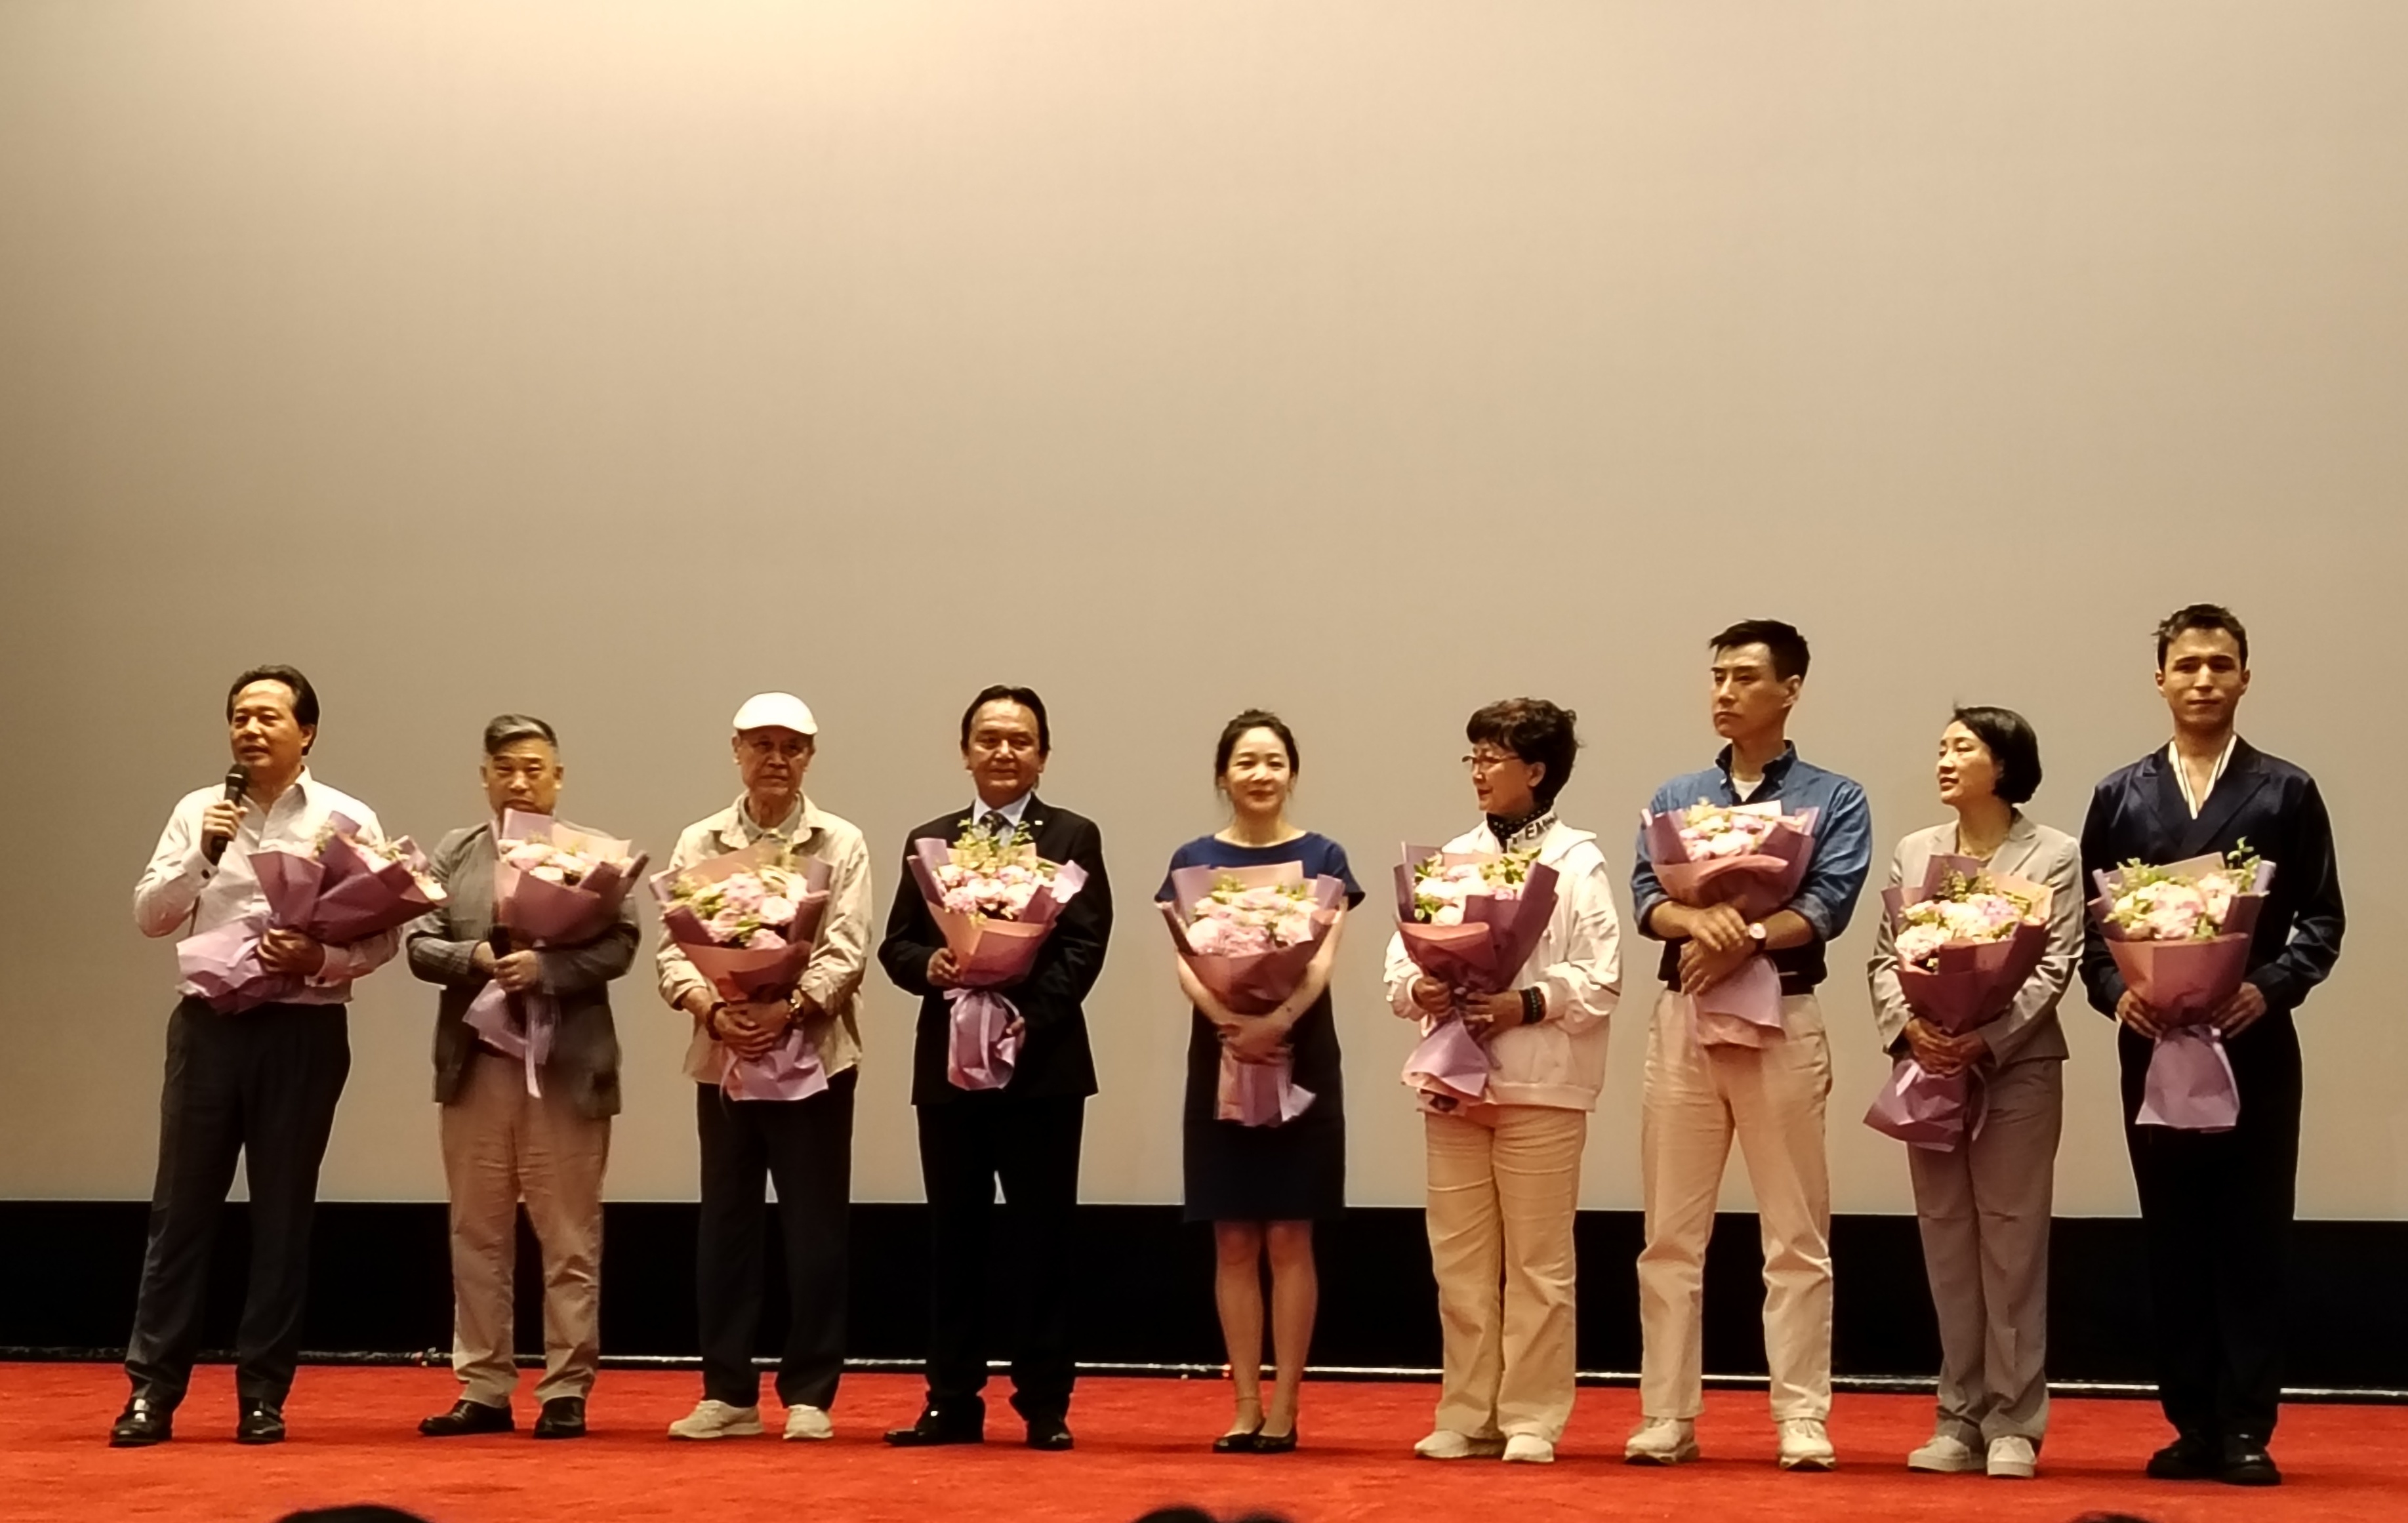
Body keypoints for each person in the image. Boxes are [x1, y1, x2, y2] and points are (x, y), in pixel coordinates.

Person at [2079, 605, 2344, 1487]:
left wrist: (2265, 986)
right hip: (2154, 1044)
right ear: (2158, 678)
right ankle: (2189, 1421)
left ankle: (2244, 1427)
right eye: (2186, 665)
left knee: (2251, 1235)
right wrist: (2118, 994)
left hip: (2250, 1040)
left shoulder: (2284, 790)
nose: (2201, 679)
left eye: (2218, 664)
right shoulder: (2119, 794)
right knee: (2171, 1235)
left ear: (2243, 677)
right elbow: (2090, 931)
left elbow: (2320, 919)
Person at [113, 666, 399, 1447]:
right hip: (208, 1027)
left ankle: (263, 1396)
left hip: (302, 1029)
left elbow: (383, 935)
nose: (250, 728)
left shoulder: (347, 818)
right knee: (180, 1214)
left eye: (269, 716)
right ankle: (151, 1393)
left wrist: (319, 960)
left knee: (282, 1218)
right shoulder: (197, 811)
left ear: (307, 732)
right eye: (240, 716)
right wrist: (203, 856)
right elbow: (150, 916)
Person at [1625, 620, 1871, 1471]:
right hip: (1684, 1014)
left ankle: (1800, 1416)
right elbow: (1645, 895)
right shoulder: (1677, 794)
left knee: (1795, 1232)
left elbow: (1830, 899)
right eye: (1717, 677)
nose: (1723, 692)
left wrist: (1749, 936)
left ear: (1789, 689)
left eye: (1742, 677)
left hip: (1782, 1017)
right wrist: (1696, 921)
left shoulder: (1832, 797)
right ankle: (1666, 1414)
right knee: (1668, 1233)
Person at [1382, 697, 1621, 1466]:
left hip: (1541, 1084)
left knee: (1537, 1263)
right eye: (1474, 757)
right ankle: (1466, 1411)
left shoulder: (1579, 863)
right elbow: (1398, 965)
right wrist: (1419, 988)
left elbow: (1601, 978)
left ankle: (1531, 1417)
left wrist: (1526, 1003)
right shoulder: (1451, 859)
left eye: (1492, 757)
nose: (1478, 772)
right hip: (1455, 1081)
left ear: (1537, 770)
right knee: (1457, 1258)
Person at [879, 685, 1113, 1452]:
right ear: (965, 752)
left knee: (1042, 1238)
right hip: (949, 1069)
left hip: (1041, 1067)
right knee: (954, 1237)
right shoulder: (930, 841)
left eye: (1019, 740)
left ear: (1042, 755)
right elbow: (898, 944)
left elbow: (1083, 944)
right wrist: (932, 966)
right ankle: (951, 1400)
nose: (1003, 752)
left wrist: (1024, 1016)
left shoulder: (1072, 836)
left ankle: (1044, 1403)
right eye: (988, 738)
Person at [407, 714, 640, 1441]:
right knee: (476, 1233)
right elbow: (417, 941)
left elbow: (623, 942)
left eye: (533, 768)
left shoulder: (592, 854)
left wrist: (549, 968)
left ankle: (566, 1387)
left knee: (569, 1235)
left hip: (566, 1069)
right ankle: (484, 1385)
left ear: (558, 776)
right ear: (484, 775)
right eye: (504, 768)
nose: (518, 780)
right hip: (477, 1066)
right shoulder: (455, 853)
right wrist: (474, 958)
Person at [1866, 707, 2081, 1480]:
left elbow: (2053, 965)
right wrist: (1910, 1028)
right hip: (1930, 1065)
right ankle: (1956, 1417)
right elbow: (1886, 956)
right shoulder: (1914, 850)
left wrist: (1984, 1038)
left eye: (1962, 747)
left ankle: (2013, 1421)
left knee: (2011, 1243)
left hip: (2015, 1069)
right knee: (1947, 1240)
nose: (1945, 759)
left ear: (2004, 763)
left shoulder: (2053, 853)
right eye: (1941, 748)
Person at [657, 694, 874, 1441]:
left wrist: (791, 1008)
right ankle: (727, 1393)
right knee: (726, 1228)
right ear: (736, 750)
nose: (775, 759)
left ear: (809, 756)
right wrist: (714, 1010)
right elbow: (673, 950)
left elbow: (846, 947)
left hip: (815, 1058)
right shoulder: (700, 840)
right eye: (761, 745)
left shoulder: (840, 841)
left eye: (790, 746)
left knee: (814, 1230)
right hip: (724, 1059)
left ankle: (809, 1393)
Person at [1158, 710, 1360, 1455]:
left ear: (1292, 772)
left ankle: (1285, 1405)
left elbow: (1322, 956)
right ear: (1223, 774)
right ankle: (1243, 1402)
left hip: (1300, 1056)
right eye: (1245, 761)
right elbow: (1186, 958)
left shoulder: (1322, 856)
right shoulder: (1194, 859)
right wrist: (1229, 1021)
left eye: (1274, 761)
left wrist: (1276, 1021)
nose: (1260, 774)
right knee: (1234, 1238)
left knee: (1289, 1234)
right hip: (1220, 1058)